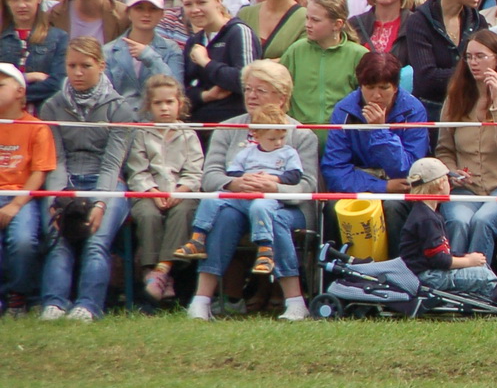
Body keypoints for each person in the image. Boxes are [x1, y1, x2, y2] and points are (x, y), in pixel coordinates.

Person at [185, 62, 319, 321]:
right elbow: (210, 176)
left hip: (287, 207)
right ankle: (201, 300)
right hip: (239, 202)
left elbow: (307, 186)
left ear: (281, 97)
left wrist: (275, 187)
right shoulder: (228, 128)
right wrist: (233, 183)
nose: (252, 96)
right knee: (224, 216)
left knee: (271, 215)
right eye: (248, 89)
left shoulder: (301, 135)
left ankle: (295, 302)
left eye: (261, 90)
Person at [38, 39, 135, 322]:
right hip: (66, 181)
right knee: (59, 238)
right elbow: (57, 160)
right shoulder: (51, 107)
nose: (78, 72)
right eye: (72, 66)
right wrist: (59, 200)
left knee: (96, 240)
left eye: (85, 66)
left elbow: (112, 163)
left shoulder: (121, 110)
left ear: (101, 66)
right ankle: (54, 303)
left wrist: (100, 203)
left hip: (106, 181)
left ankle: (89, 306)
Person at [174, 104, 305, 278]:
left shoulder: (288, 153)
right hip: (243, 193)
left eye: (282, 137)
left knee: (260, 207)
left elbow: (295, 175)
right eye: (273, 139)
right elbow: (233, 171)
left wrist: (273, 179)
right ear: (256, 136)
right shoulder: (247, 153)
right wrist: (244, 179)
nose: (278, 143)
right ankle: (198, 238)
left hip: (268, 195)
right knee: (212, 198)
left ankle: (265, 250)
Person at [436, 30, 497, 268]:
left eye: (480, 56)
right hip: (467, 188)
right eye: (469, 57)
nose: (473, 63)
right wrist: (452, 172)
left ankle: (478, 285)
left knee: (483, 221)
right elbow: (444, 149)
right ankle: (452, 285)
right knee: (458, 220)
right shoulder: (455, 96)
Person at [322, 52, 431, 249]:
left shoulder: (414, 110)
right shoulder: (344, 111)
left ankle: (399, 270)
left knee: (393, 206)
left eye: (384, 88)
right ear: (360, 86)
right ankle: (340, 270)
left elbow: (409, 169)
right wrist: (382, 187)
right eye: (369, 88)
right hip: (361, 181)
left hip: (400, 184)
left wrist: (380, 132)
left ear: (396, 87)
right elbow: (334, 170)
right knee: (333, 205)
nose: (376, 95)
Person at [125, 75, 203, 303]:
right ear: (149, 106)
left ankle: (163, 269)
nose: (165, 108)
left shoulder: (188, 134)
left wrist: (180, 190)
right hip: (150, 193)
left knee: (183, 212)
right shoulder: (141, 134)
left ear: (180, 103)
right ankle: (153, 271)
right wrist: (153, 192)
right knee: (148, 214)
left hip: (182, 193)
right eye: (158, 103)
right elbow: (137, 170)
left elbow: (195, 170)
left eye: (170, 102)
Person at [403, 0, 487, 119]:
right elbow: (426, 79)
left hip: (469, 110)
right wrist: (470, 73)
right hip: (429, 113)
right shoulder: (419, 22)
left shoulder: (478, 22)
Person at [0, 62, 55, 314]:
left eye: (1, 85)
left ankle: (18, 295)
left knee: (23, 241)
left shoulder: (36, 127)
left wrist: (15, 204)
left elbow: (39, 171)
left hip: (22, 197)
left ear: (20, 92)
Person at [399, 158, 497, 295]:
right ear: (441, 184)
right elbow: (439, 260)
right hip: (426, 276)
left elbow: (443, 253)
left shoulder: (430, 214)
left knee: (482, 266)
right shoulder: (426, 219)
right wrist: (468, 261)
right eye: (447, 179)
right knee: (484, 276)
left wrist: (467, 256)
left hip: (430, 272)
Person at [281, 0, 367, 147]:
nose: (307, 24)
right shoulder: (295, 50)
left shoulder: (359, 55)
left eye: (315, 20)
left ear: (337, 24)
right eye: (307, 18)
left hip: (343, 142)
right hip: (298, 141)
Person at [180, 0, 258, 135]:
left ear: (218, 0)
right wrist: (205, 96)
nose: (195, 10)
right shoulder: (194, 41)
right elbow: (184, 91)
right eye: (188, 4)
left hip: (232, 129)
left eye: (202, 2)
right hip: (197, 130)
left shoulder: (238, 32)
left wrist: (206, 63)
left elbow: (244, 82)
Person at [102, 0, 183, 108]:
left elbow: (177, 90)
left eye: (153, 9)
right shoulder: (108, 51)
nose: (146, 14)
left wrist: (150, 57)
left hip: (158, 122)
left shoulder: (172, 49)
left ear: (162, 14)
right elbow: (104, 95)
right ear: (128, 12)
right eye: (139, 8)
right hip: (121, 122)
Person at [0, 0, 69, 107]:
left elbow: (57, 84)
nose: (22, 5)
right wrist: (27, 77)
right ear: (7, 1)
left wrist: (12, 93)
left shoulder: (59, 38)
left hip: (42, 115)